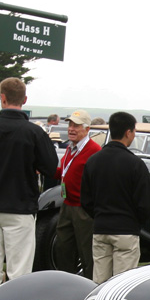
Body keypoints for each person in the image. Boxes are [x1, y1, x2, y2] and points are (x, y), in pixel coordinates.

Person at [0, 77, 59, 294]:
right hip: (20, 207)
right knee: (19, 271)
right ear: (24, 99)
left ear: (2, 98)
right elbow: (51, 165)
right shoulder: (34, 132)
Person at [81, 112, 150, 284]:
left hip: (101, 227)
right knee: (122, 284)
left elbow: (86, 199)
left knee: (99, 283)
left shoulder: (93, 161)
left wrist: (99, 215)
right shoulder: (135, 164)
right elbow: (145, 203)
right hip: (126, 229)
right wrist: (136, 222)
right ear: (128, 132)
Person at [54, 109, 99, 279]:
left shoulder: (93, 150)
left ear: (87, 129)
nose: (71, 129)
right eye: (70, 125)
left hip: (83, 208)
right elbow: (65, 172)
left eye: (77, 126)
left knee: (86, 252)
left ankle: (89, 288)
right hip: (67, 205)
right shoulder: (70, 148)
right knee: (62, 248)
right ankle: (65, 284)